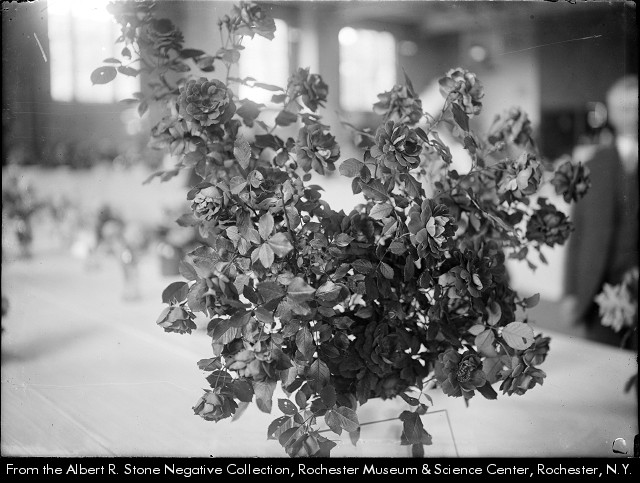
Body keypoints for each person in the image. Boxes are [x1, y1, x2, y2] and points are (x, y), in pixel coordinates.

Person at [563, 74, 638, 347]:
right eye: (624, 108)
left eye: (636, 107)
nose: (632, 115)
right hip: (596, 289)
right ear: (612, 113)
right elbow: (577, 230)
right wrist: (571, 291)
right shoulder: (592, 164)